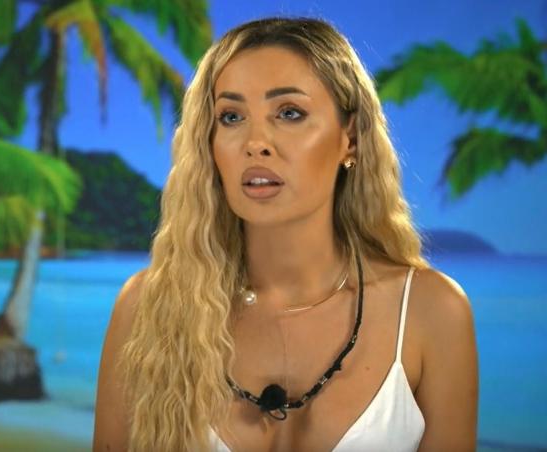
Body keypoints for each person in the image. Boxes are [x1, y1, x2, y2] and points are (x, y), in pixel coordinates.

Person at [93, 17, 478, 452]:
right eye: (232, 116)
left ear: (350, 138)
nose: (256, 142)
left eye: (289, 113)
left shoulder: (431, 314)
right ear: (209, 143)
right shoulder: (147, 309)